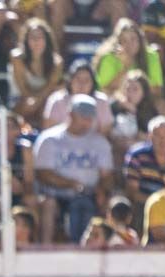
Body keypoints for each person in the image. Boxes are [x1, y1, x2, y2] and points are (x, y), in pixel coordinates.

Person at [32, 95, 113, 243]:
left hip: (89, 195)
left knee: (96, 203)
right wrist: (72, 184)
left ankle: (90, 248)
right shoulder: (50, 139)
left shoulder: (100, 142)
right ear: (70, 114)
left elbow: (107, 175)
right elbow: (43, 173)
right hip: (57, 195)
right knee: (49, 204)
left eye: (90, 118)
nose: (87, 122)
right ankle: (46, 248)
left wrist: (102, 189)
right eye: (83, 117)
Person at [124, 115, 165, 211]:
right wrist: (157, 205)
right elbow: (133, 191)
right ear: (150, 136)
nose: (163, 140)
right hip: (145, 206)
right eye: (157, 135)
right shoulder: (137, 156)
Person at [8, 19, 63, 126]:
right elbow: (23, 90)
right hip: (19, 100)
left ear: (47, 40)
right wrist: (34, 101)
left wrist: (37, 101)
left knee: (47, 107)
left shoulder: (57, 62)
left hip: (43, 101)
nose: (36, 41)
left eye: (40, 37)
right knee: (28, 104)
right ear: (26, 40)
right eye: (32, 37)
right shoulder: (17, 58)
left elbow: (49, 89)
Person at [93, 17, 164, 95]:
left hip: (144, 99)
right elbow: (104, 91)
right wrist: (125, 68)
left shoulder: (151, 56)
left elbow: (157, 90)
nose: (129, 45)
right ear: (118, 43)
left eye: (133, 39)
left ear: (140, 40)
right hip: (117, 99)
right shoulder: (108, 58)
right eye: (124, 40)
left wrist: (134, 92)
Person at [43, 60, 113, 133]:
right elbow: (49, 130)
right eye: (78, 79)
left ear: (93, 83)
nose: (82, 84)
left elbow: (105, 131)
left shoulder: (101, 101)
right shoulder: (57, 100)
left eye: (86, 80)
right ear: (70, 81)